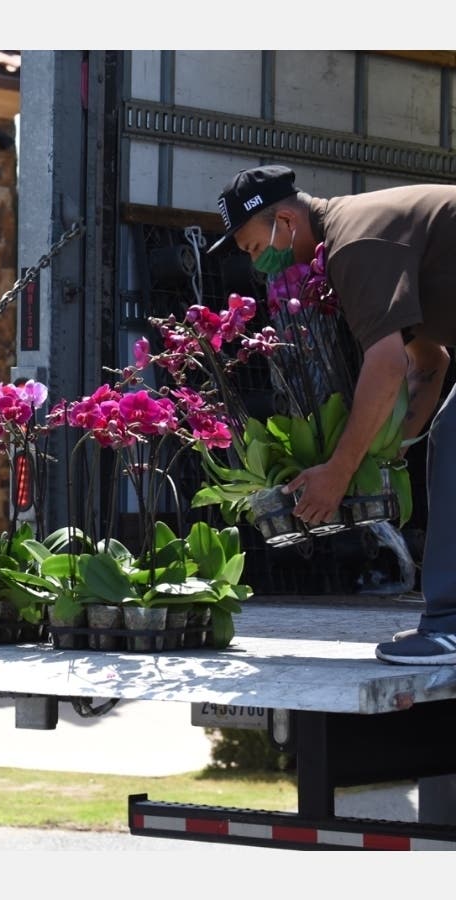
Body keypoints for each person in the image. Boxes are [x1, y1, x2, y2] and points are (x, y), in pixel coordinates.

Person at [208, 164, 456, 665]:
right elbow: (430, 362)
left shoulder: (353, 246)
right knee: (443, 440)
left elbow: (386, 364)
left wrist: (341, 471)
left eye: (256, 247)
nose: (260, 265)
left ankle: (451, 628)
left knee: (454, 438)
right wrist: (391, 452)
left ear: (285, 220)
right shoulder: (353, 237)